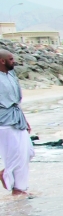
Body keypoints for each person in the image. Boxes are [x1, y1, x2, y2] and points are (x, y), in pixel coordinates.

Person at [0, 49, 33, 196]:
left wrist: (24, 119)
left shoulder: (11, 74)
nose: (14, 61)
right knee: (15, 154)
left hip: (17, 117)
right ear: (2, 61)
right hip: (4, 121)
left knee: (28, 152)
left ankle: (8, 175)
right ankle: (18, 188)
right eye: (11, 59)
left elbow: (16, 101)